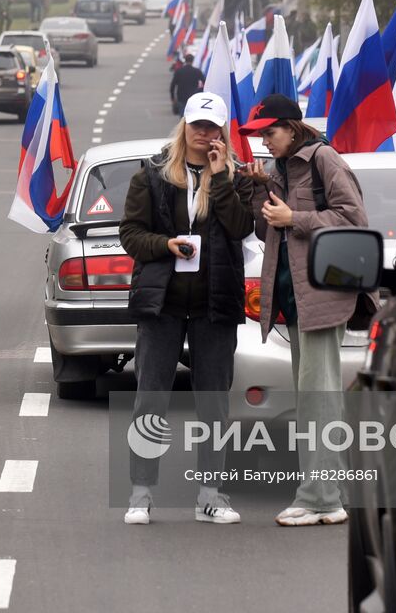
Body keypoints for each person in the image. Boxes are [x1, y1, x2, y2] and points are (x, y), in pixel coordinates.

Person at [119, 92, 256, 526]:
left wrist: (222, 179)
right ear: (184, 126)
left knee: (214, 403)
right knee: (151, 399)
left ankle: (211, 494)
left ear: (222, 132)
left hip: (215, 307)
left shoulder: (234, 176)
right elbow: (130, 234)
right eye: (197, 125)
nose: (203, 133)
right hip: (162, 306)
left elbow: (240, 228)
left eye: (212, 127)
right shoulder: (154, 175)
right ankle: (140, 494)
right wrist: (165, 245)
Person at [239, 94, 376, 527]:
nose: (265, 141)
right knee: (314, 399)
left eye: (270, 132)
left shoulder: (325, 159)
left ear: (293, 128)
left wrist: (294, 217)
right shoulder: (281, 170)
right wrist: (260, 189)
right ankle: (326, 494)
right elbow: (267, 228)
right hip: (295, 299)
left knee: (319, 399)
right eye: (260, 135)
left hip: (322, 295)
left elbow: (354, 219)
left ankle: (321, 499)